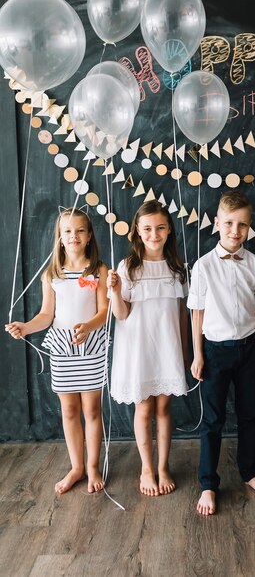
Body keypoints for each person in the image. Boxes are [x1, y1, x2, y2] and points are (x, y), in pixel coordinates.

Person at [6, 207, 109, 494]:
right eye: (67, 231)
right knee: (69, 410)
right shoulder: (52, 273)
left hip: (91, 345)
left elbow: (105, 311)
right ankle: (76, 466)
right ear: (60, 237)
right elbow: (46, 315)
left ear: (89, 236)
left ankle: (92, 466)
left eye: (79, 230)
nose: (73, 236)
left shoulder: (99, 269)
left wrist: (88, 326)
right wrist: (25, 327)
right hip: (62, 347)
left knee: (91, 409)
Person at [187, 190, 255, 516]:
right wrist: (197, 355)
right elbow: (196, 313)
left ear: (249, 227)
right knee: (212, 419)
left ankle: (250, 472)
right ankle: (208, 483)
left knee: (249, 415)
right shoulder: (203, 266)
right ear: (217, 223)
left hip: (251, 349)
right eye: (228, 223)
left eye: (241, 225)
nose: (234, 230)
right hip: (214, 351)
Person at [107, 200, 188, 497]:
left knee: (164, 406)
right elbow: (121, 314)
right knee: (144, 407)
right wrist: (115, 291)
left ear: (169, 231)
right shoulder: (127, 267)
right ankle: (146, 467)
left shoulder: (177, 267)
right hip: (139, 347)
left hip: (167, 345)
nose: (154, 234)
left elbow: (181, 313)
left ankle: (164, 465)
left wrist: (186, 351)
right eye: (148, 229)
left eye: (160, 228)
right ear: (137, 232)